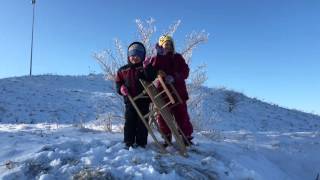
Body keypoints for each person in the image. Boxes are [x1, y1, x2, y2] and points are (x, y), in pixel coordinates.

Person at [150, 35, 194, 146]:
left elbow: (185, 71)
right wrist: (159, 55)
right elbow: (153, 68)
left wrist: (175, 76)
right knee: (163, 117)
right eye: (165, 44)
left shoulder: (178, 57)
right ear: (161, 46)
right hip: (163, 92)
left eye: (170, 44)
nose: (168, 46)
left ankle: (186, 138)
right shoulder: (158, 57)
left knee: (182, 116)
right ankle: (166, 138)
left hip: (179, 92)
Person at [115, 42, 156, 149]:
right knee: (130, 121)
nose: (135, 58)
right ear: (129, 56)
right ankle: (128, 142)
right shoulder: (123, 70)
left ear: (142, 56)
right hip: (129, 100)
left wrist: (147, 67)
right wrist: (121, 88)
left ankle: (141, 143)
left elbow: (151, 77)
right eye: (132, 55)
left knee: (142, 122)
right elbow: (118, 82)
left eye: (138, 55)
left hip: (143, 99)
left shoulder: (144, 68)